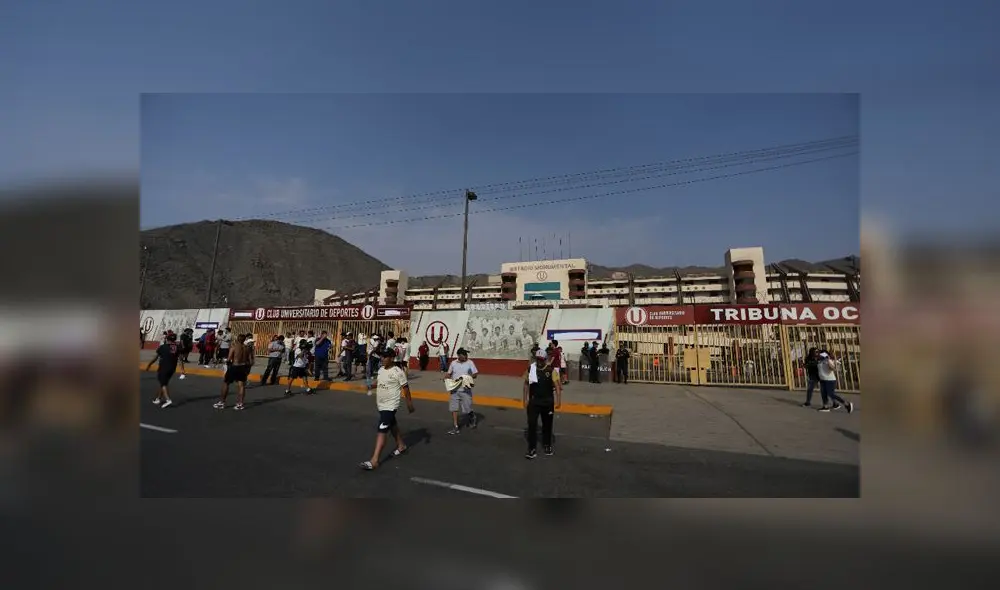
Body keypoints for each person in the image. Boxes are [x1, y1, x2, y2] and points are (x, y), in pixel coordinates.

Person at [359, 348, 415, 471]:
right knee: (392, 424)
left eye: (385, 357)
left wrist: (409, 403)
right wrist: (370, 385)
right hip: (381, 405)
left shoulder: (398, 372)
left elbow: (405, 388)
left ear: (392, 358)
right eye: (381, 357)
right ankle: (401, 446)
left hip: (390, 406)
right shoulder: (381, 370)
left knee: (382, 430)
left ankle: (374, 460)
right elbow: (379, 382)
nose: (382, 359)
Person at [522, 349, 562, 459]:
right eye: (537, 359)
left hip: (547, 402)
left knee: (547, 425)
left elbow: (557, 386)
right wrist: (524, 399)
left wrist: (558, 400)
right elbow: (526, 385)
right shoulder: (531, 369)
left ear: (545, 359)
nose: (539, 362)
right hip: (534, 402)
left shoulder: (551, 370)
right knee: (532, 424)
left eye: (541, 360)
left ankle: (547, 445)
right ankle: (532, 448)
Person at [214, 335, 254, 411]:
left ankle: (222, 402)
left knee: (226, 383)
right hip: (242, 367)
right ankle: (240, 404)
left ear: (237, 339)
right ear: (244, 340)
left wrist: (226, 362)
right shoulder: (247, 348)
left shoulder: (234, 347)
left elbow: (229, 359)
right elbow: (251, 361)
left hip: (234, 366)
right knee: (241, 385)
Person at [145, 332, 185, 408]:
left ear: (167, 339)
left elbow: (155, 358)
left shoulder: (163, 347)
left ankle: (168, 400)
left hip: (163, 368)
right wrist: (182, 370)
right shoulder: (177, 348)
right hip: (172, 368)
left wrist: (149, 365)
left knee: (163, 384)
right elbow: (180, 359)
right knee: (164, 382)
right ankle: (158, 399)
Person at [445, 348, 479, 435]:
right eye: (464, 355)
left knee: (467, 409)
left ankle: (472, 416)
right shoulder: (453, 363)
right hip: (454, 389)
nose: (466, 356)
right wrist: (446, 378)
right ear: (459, 356)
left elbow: (475, 374)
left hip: (465, 390)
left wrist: (469, 376)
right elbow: (449, 373)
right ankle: (455, 427)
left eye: (466, 355)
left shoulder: (470, 363)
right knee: (454, 409)